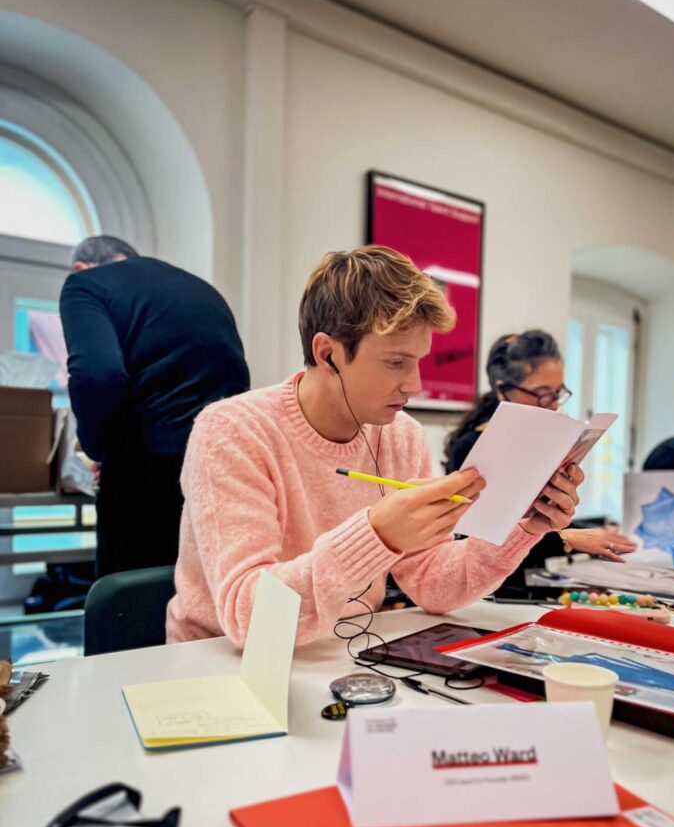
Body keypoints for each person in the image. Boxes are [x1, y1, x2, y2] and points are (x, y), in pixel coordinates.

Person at [166, 247, 583, 647]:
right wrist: (376, 535)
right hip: (217, 664)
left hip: (341, 652)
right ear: (328, 354)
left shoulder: (401, 435)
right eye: (395, 362)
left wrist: (523, 526)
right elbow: (247, 616)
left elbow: (432, 584)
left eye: (418, 361)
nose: (414, 384)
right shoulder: (232, 432)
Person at [59, 235, 250, 577]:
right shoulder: (202, 290)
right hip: (219, 466)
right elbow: (235, 373)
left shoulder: (84, 285)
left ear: (80, 267)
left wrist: (98, 447)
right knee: (198, 602)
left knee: (129, 604)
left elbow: (96, 374)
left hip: (143, 473)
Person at [445, 331, 636, 576]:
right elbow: (478, 539)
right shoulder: (471, 446)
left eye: (558, 393)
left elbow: (534, 516)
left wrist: (568, 518)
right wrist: (570, 538)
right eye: (543, 394)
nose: (554, 405)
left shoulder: (543, 442)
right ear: (504, 391)